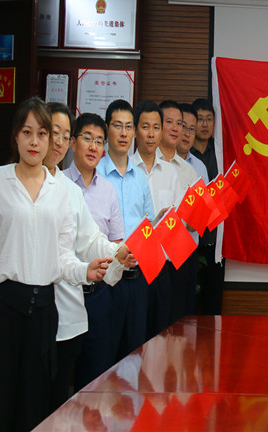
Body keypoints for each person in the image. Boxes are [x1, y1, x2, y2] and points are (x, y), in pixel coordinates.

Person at [0, 97, 110, 432]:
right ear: (16, 136)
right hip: (3, 310)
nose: (34, 141)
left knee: (35, 409)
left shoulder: (61, 192)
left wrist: (84, 270)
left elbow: (61, 258)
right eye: (27, 132)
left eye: (42, 134)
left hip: (44, 312)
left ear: (50, 140)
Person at [64, 111, 131, 391]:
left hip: (100, 294)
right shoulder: (59, 185)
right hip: (65, 292)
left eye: (99, 141)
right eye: (87, 138)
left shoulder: (108, 190)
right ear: (72, 142)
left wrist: (125, 255)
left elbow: (115, 241)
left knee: (95, 377)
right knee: (62, 376)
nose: (93, 147)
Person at [97, 99, 155, 362]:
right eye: (117, 126)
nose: (123, 133)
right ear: (107, 128)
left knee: (134, 355)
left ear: (134, 132)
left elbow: (148, 224)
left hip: (136, 278)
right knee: (104, 354)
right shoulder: (96, 173)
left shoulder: (140, 177)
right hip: (105, 276)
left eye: (128, 127)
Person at [132, 100, 181, 338]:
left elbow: (179, 219)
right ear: (135, 131)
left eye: (156, 127)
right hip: (132, 269)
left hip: (162, 268)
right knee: (134, 338)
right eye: (145, 127)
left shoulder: (171, 172)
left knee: (160, 339)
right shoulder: (127, 169)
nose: (151, 134)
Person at [158, 99, 200, 320]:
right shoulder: (142, 165)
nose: (176, 128)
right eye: (169, 122)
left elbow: (194, 223)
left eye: (180, 124)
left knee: (178, 323)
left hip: (180, 256)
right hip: (150, 256)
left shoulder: (188, 171)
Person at [190, 97, 225, 316]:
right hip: (191, 242)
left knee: (213, 305)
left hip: (216, 241)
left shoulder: (220, 153)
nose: (204, 124)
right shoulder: (185, 156)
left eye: (209, 119)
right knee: (190, 305)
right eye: (200, 119)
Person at [177, 103, 209, 182]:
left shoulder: (200, 167)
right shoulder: (161, 160)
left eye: (192, 129)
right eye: (183, 127)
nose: (187, 134)